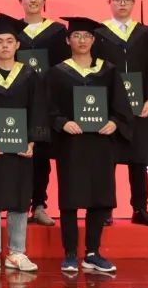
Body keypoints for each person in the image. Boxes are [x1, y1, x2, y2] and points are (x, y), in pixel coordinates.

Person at [46, 17, 134, 274]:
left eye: (86, 36)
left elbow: (122, 105)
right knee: (70, 199)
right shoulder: (57, 73)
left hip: (101, 143)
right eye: (76, 36)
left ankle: (93, 253)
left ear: (94, 40)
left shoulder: (109, 71)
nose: (82, 40)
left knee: (99, 198)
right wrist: (62, 122)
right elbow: (47, 107)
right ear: (68, 40)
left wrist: (115, 122)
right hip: (72, 144)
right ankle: (70, 254)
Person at [0, 14, 49, 273]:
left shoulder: (29, 76)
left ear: (17, 45)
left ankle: (17, 252)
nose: (5, 46)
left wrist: (32, 141)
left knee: (20, 197)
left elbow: (38, 109)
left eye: (9, 41)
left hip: (21, 148)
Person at [93, 0, 148, 227]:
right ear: (109, 2)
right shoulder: (98, 34)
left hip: (140, 108)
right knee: (107, 160)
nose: (122, 4)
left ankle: (140, 209)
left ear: (134, 3)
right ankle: (105, 210)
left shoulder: (146, 34)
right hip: (109, 109)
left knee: (138, 159)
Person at [6, 0, 68, 227]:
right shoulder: (11, 31)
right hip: (17, 102)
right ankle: (17, 205)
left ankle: (39, 205)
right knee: (15, 153)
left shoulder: (57, 31)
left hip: (46, 103)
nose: (33, 0)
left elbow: (64, 69)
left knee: (41, 155)